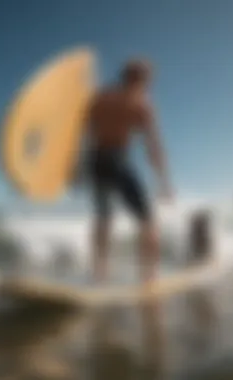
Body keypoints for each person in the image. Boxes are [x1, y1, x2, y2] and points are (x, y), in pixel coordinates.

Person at [84, 58, 173, 285]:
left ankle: (99, 274)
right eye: (149, 79)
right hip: (118, 160)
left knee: (103, 217)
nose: (150, 83)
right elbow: (153, 146)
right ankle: (149, 277)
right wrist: (164, 183)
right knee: (148, 222)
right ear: (142, 79)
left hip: (95, 161)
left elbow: (83, 130)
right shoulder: (142, 104)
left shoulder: (100, 97)